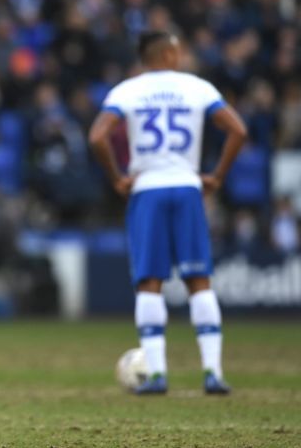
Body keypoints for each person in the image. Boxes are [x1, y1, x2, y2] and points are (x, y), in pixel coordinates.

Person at [89, 31, 247, 395]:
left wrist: (117, 178)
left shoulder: (127, 91)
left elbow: (98, 136)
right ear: (173, 54)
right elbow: (238, 129)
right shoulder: (197, 88)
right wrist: (217, 176)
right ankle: (213, 373)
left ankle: (157, 376)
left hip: (147, 190)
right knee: (199, 281)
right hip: (188, 188)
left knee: (149, 282)